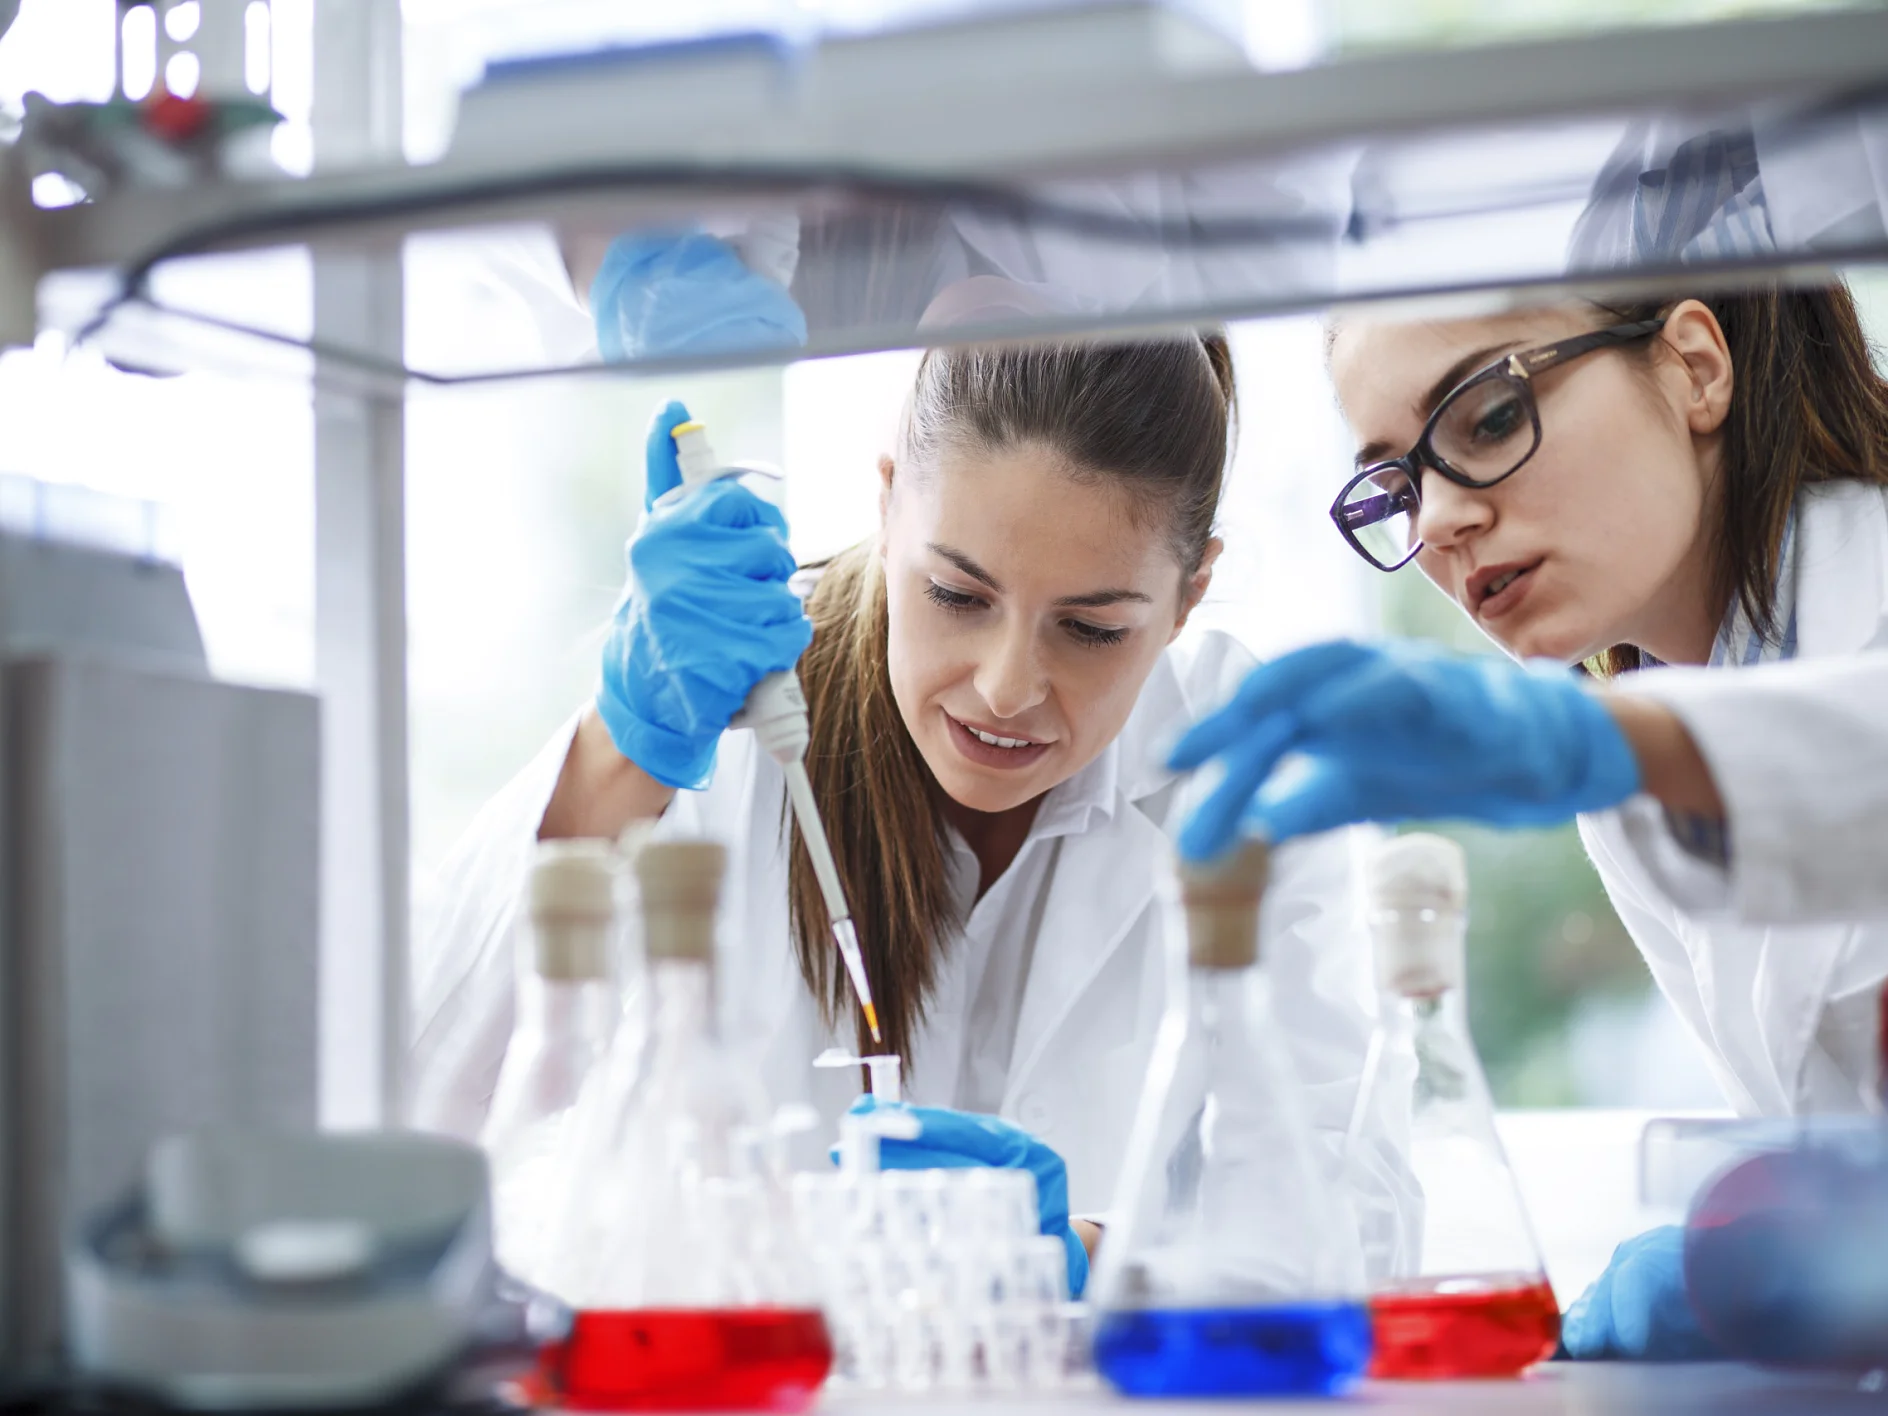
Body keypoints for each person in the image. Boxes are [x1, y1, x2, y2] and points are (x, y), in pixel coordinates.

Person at [409, 329, 1414, 1297]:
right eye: (956, 594)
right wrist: (618, 752)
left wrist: (1088, 1261)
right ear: (889, 506)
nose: (1008, 685)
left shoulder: (1250, 775)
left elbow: (1363, 1220)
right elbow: (407, 1100)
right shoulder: (725, 709)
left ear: (1188, 597)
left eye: (1092, 628)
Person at [1171, 277, 1888, 1356]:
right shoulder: (1638, 758)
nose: (1443, 518)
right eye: (1394, 486)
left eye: (1490, 417)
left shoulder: (1657, 737)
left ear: (1695, 365)